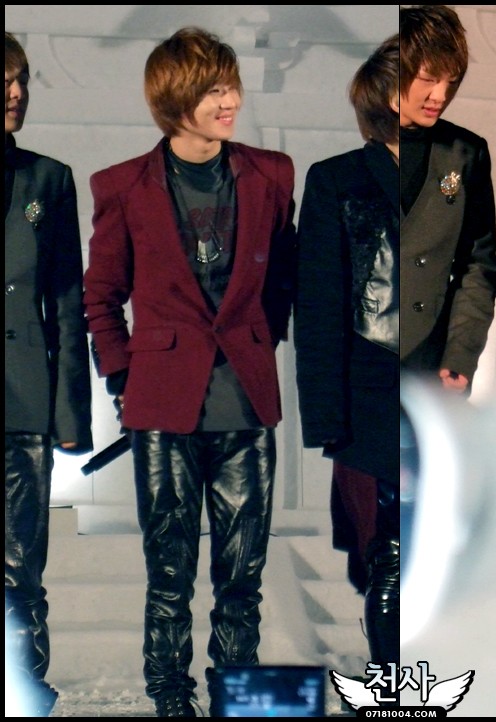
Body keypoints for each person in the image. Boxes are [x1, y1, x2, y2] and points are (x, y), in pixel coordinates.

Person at [83, 27, 295, 718]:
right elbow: (100, 296)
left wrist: (258, 344)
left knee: (242, 579)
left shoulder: (271, 175)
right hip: (163, 409)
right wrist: (123, 378)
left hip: (246, 407)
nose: (230, 101)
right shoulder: (122, 187)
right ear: (176, 102)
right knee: (169, 578)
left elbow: (283, 278)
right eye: (213, 90)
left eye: (232, 86)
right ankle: (171, 699)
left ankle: (236, 698)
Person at [294, 35, 400, 669]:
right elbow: (317, 305)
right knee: (384, 556)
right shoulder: (335, 179)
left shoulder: (454, 170)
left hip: (434, 400)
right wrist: (328, 419)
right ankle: (390, 689)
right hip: (366, 401)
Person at [5, 31, 93, 718]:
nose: (15, 93)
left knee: (20, 566)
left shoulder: (48, 179)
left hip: (24, 401)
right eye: (3, 80)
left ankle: (26, 696)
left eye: (23, 80)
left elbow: (67, 303)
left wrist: (70, 416)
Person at [399, 5, 496, 394]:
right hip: (364, 371)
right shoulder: (353, 153)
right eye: (428, 79)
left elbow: (478, 266)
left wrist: (460, 356)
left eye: (451, 82)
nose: (440, 95)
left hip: (433, 369)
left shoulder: (466, 152)